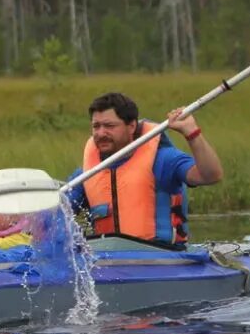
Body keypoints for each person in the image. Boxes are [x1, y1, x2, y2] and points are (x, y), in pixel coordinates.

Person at [64, 92, 223, 246]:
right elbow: (59, 211)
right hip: (109, 262)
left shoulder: (162, 159)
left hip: (163, 258)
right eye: (96, 126)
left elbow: (210, 175)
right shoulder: (86, 173)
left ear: (131, 126)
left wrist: (192, 133)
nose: (100, 133)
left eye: (109, 126)